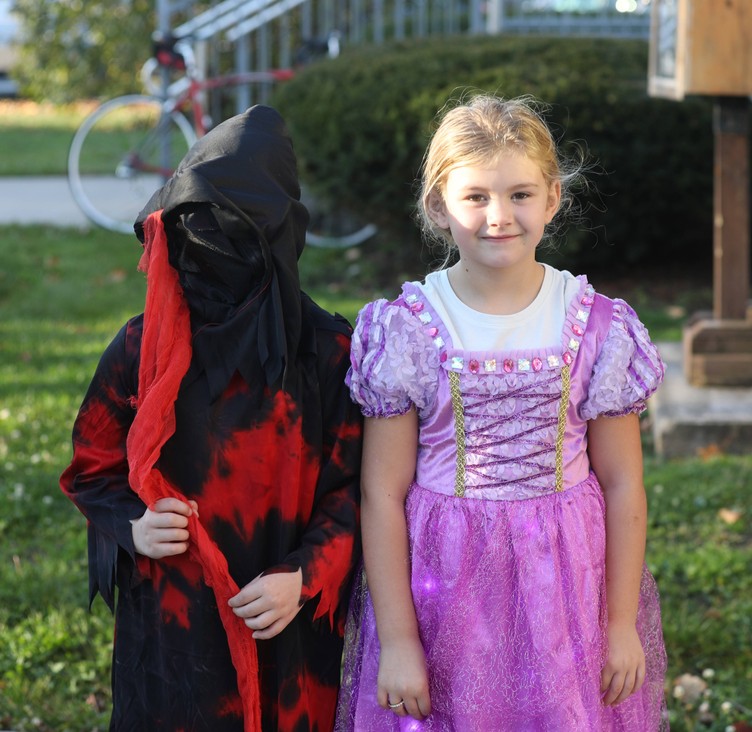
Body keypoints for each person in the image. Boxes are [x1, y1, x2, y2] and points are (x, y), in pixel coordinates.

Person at [335, 94, 668, 731]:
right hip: (444, 589)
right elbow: (382, 492)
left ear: (552, 197)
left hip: (565, 587)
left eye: (519, 194)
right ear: (439, 206)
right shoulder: (408, 329)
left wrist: (620, 622)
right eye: (476, 197)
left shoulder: (596, 326)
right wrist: (401, 641)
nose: (499, 217)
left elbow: (624, 482)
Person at [60, 105, 362, 732]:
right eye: (194, 221)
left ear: (275, 238)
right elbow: (92, 468)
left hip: (284, 623)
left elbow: (357, 494)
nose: (209, 244)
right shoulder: (141, 350)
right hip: (171, 626)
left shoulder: (328, 356)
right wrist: (133, 524)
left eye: (234, 227)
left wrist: (303, 575)